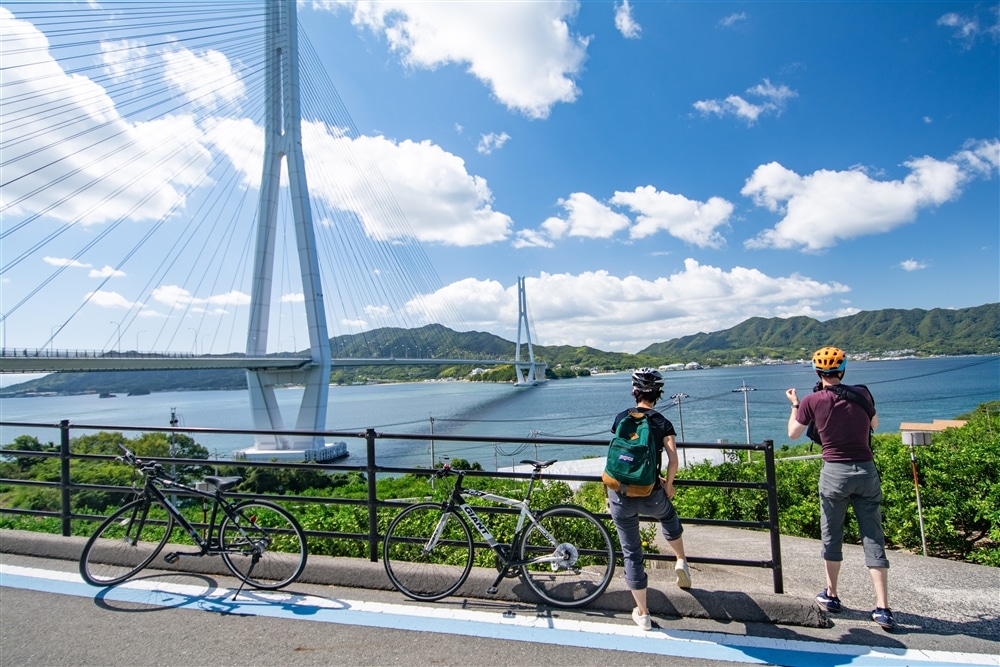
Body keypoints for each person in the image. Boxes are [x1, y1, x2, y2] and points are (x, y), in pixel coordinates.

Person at [785, 346, 894, 631]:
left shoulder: (811, 400)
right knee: (873, 535)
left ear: (818, 372)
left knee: (831, 534)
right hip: (866, 470)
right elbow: (876, 425)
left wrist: (795, 404)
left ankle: (831, 595)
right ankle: (882, 608)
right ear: (842, 370)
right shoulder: (863, 394)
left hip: (834, 473)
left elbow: (793, 434)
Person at [608, 367, 690, 631]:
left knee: (632, 552)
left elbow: (620, 456)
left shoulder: (622, 417)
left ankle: (642, 613)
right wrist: (668, 486)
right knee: (668, 516)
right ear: (659, 394)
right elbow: (673, 460)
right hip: (650, 491)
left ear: (635, 392)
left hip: (619, 492)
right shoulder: (662, 422)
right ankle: (680, 560)